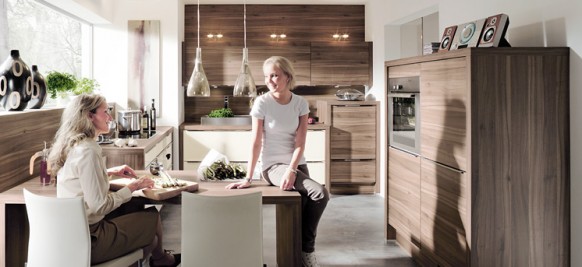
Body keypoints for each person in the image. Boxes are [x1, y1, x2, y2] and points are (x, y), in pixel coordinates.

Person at [47, 94, 180, 267]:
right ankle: (161, 260)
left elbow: (80, 181)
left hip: (70, 236)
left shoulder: (75, 145)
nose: (110, 117)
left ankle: (161, 259)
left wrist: (108, 172)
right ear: (89, 116)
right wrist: (133, 186)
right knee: (153, 219)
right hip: (90, 240)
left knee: (142, 221)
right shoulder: (88, 151)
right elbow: (99, 205)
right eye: (106, 112)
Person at [226, 56, 330, 267]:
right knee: (320, 193)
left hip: (297, 164)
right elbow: (255, 143)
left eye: (274, 75)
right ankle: (306, 251)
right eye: (266, 76)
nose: (270, 80)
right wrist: (248, 176)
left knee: (304, 207)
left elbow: (300, 143)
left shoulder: (300, 103)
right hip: (273, 166)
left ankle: (294, 253)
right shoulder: (262, 102)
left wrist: (292, 169)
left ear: (287, 77)